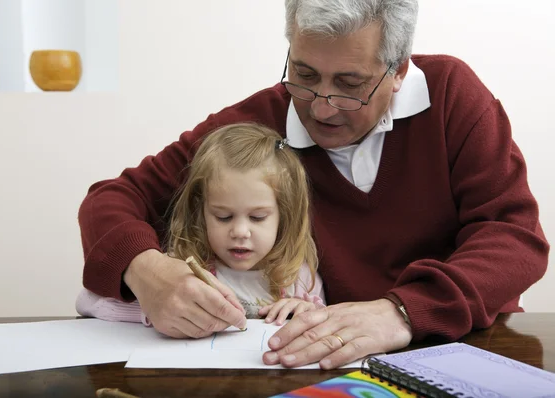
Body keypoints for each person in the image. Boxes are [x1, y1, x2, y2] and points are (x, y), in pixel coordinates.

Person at [78, 0, 550, 370]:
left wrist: (403, 311)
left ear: (399, 71)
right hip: (320, 365)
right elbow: (112, 199)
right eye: (304, 75)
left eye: (350, 84)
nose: (322, 107)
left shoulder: (451, 96)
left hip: (466, 346)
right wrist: (145, 271)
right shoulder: (253, 127)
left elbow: (513, 237)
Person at [76, 123, 325, 327]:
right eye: (223, 217)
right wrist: (153, 308)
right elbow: (88, 302)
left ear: (284, 215)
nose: (239, 232)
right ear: (201, 211)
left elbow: (325, 325)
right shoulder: (183, 268)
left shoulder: (300, 277)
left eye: (258, 218)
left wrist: (308, 313)